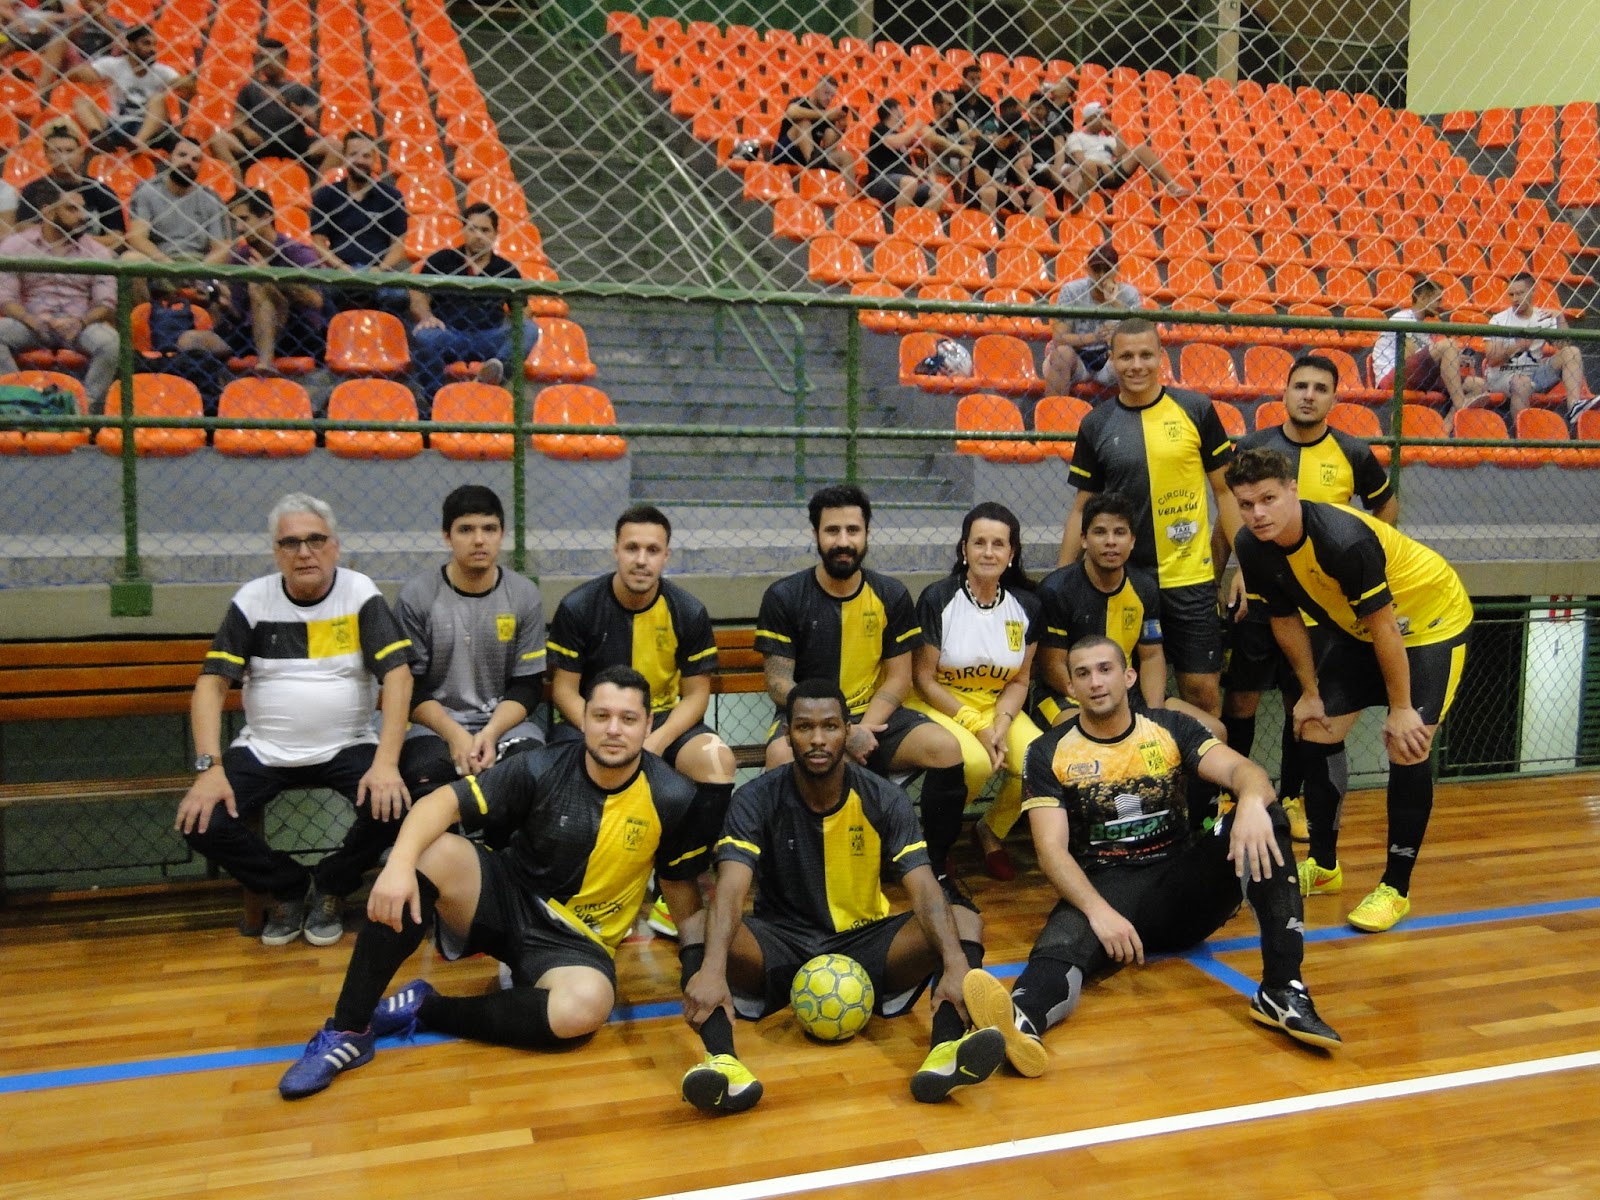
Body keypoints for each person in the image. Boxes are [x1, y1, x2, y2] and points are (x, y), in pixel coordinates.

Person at [277, 666, 711, 1100]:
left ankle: (428, 1007)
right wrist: (398, 865)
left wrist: (700, 973)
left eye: (628, 719)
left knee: (584, 1008)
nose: (613, 729)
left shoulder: (672, 796)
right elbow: (442, 801)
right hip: (507, 900)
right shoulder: (540, 766)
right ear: (583, 719)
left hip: (577, 944)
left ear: (648, 725)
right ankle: (348, 1030)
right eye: (601, 716)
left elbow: (681, 893)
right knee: (428, 854)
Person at [960, 635, 1339, 1080]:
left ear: (1128, 676)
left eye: (1105, 669)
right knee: (1059, 951)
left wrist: (1252, 802)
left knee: (1268, 816)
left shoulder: (1170, 727)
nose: (1095, 682)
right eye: (1083, 674)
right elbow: (1050, 849)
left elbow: (1245, 771)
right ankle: (1019, 1024)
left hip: (1182, 889)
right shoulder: (1048, 751)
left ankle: (1281, 989)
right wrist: (1099, 913)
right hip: (1106, 889)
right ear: (1071, 687)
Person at [677, 679, 1005, 1113]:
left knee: (962, 919)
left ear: (848, 732)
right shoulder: (755, 799)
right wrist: (713, 970)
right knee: (696, 926)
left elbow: (925, 888)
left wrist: (956, 964)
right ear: (787, 734)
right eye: (804, 727)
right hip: (780, 946)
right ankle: (723, 1064)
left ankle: (945, 1052)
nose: (817, 739)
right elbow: (731, 889)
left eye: (830, 726)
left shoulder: (883, 798)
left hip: (866, 943)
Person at [1227, 447, 1473, 933]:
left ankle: (1395, 888)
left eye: (1268, 499)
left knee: (1407, 744)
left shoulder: (1343, 539)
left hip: (1428, 623)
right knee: (1315, 727)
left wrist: (1401, 707)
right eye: (1246, 504)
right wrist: (1310, 691)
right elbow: (1285, 620)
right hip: (1358, 630)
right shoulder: (1252, 545)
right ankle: (1323, 866)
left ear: (1293, 491)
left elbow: (1386, 627)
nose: (1258, 514)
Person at [174, 494, 415, 948]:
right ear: (276, 552)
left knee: (400, 806)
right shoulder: (252, 600)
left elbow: (399, 677)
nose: (304, 552)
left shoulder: (360, 593)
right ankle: (288, 886)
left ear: (335, 547)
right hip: (264, 748)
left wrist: (385, 762)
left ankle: (332, 883)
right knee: (199, 821)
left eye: (316, 540)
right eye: (290, 543)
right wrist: (210, 767)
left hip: (348, 743)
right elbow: (211, 685)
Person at [755, 486, 969, 888]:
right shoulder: (784, 596)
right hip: (809, 720)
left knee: (945, 748)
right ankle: (794, 878)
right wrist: (839, 730)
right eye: (832, 530)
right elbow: (779, 683)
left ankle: (935, 865)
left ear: (867, 534)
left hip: (876, 718)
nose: (843, 541)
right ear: (816, 535)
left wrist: (861, 729)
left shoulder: (890, 594)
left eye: (852, 530)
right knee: (781, 758)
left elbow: (899, 677)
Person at [1225, 354, 1397, 841]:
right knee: (1241, 694)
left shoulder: (1353, 451)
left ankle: (1293, 798)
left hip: (1320, 605)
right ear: (1284, 391)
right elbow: (1234, 513)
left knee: (1302, 699)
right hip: (1264, 588)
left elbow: (1385, 505)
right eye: (1300, 385)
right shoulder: (1253, 447)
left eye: (1320, 388)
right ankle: (1231, 795)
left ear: (1334, 398)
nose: (1308, 395)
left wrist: (1367, 563)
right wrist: (1238, 569)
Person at [547, 505, 736, 934]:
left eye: (652, 550)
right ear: (616, 550)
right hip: (597, 722)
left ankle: (675, 879)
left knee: (717, 761)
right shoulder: (579, 606)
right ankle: (586, 894)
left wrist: (655, 739)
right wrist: (603, 731)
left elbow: (696, 694)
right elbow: (564, 691)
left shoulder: (687, 610)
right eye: (632, 548)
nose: (641, 559)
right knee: (567, 770)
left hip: (661, 723)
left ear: (666, 555)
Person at [1057, 318, 1241, 717]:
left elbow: (1226, 493)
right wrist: (1060, 579)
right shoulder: (1096, 424)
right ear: (1112, 359)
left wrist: (1243, 566)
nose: (1136, 365)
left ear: (1161, 357)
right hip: (1125, 583)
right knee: (1124, 693)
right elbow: (1081, 508)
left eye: (1145, 355)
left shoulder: (1196, 409)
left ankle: (1204, 761)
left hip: (1189, 578)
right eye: (1126, 356)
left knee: (1202, 692)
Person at [906, 502, 1043, 882]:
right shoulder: (938, 598)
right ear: (963, 548)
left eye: (998, 544)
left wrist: (1001, 723)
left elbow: (1019, 681)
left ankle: (990, 830)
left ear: (1011, 553)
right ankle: (936, 842)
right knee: (976, 763)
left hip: (995, 706)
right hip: (939, 703)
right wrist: (973, 723)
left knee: (1038, 760)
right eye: (979, 542)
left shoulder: (1027, 606)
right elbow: (923, 679)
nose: (988, 552)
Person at [395, 485, 546, 799]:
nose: (479, 540)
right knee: (426, 778)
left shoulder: (523, 595)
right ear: (447, 536)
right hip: (436, 727)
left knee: (529, 776)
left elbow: (528, 685)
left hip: (504, 725)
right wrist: (455, 735)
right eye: (466, 530)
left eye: (489, 529)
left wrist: (490, 733)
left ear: (501, 534)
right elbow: (411, 688)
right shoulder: (417, 596)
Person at [1035, 492, 1170, 722]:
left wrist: (1155, 716)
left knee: (1213, 730)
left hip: (1125, 694)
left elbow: (1151, 657)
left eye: (1120, 532)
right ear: (1084, 539)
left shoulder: (1144, 588)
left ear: (1132, 541)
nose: (1111, 541)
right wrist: (1104, 705)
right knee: (1093, 735)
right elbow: (1052, 666)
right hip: (1067, 697)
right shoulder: (1055, 590)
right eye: (1100, 532)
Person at [177, 187, 325, 373]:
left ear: (266, 217)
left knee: (259, 283)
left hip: (295, 331)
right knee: (188, 340)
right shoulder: (241, 257)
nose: (239, 228)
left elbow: (315, 301)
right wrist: (224, 303)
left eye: (244, 219)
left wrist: (271, 276)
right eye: (235, 221)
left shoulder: (299, 253)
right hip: (251, 332)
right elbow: (239, 314)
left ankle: (265, 366)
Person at [0, 179, 119, 408]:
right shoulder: (16, 245)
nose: (82, 216)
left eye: (82, 209)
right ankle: (16, 401)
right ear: (48, 212)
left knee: (111, 342)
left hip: (79, 323)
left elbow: (106, 301)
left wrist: (80, 321)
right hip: (31, 322)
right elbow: (5, 297)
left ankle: (84, 409)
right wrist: (31, 319)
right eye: (71, 209)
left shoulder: (97, 251)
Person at [408, 202, 535, 411]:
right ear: (463, 230)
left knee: (530, 330)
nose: (478, 236)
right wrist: (426, 316)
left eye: (485, 230)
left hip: (489, 338)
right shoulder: (442, 259)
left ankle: (490, 380)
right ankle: (436, 402)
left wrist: (517, 321)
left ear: (495, 234)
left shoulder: (506, 270)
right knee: (424, 335)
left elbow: (523, 310)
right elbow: (417, 294)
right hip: (449, 334)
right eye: (473, 229)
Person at [210, 37, 341, 183]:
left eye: (271, 58)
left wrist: (284, 102)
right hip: (258, 142)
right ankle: (238, 187)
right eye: (263, 58)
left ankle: (319, 190)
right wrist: (247, 132)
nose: (266, 62)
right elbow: (237, 121)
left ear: (284, 61)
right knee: (218, 139)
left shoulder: (300, 89)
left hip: (294, 143)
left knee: (336, 146)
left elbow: (311, 119)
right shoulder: (250, 89)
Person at [309, 132, 408, 310]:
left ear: (374, 159)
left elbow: (398, 245)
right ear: (344, 157)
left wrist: (380, 269)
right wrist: (340, 267)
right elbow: (318, 242)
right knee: (320, 293)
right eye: (353, 154)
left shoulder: (391, 196)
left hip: (378, 272)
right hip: (339, 271)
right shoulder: (326, 195)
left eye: (366, 156)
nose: (360, 161)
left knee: (400, 296)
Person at [65, 23, 193, 154]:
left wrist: (181, 83)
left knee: (158, 98)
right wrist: (87, 74)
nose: (152, 49)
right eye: (146, 43)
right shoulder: (113, 64)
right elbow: (78, 74)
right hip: (117, 124)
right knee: (80, 102)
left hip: (146, 128)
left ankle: (137, 142)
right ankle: (97, 135)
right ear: (131, 45)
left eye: (154, 45)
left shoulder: (162, 71)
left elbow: (187, 86)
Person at [1371, 277, 1487, 416]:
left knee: (1479, 385)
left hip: (1420, 377)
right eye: (1438, 300)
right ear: (1423, 297)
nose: (1440, 305)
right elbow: (1407, 358)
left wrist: (1455, 360)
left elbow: (1426, 361)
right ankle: (1460, 404)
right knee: (1449, 344)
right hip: (1393, 376)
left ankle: (1447, 426)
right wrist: (1443, 356)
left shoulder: (1425, 329)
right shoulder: (1403, 318)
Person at [1042, 241, 1143, 398]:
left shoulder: (1129, 294)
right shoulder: (1072, 291)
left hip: (1111, 358)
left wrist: (1114, 303)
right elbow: (1059, 338)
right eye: (1096, 269)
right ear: (1087, 270)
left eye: (1107, 269)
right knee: (1061, 354)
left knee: (1135, 356)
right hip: (1078, 356)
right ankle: (1054, 410)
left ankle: (1135, 411)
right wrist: (1095, 337)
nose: (1102, 276)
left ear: (1116, 269)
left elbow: (1140, 335)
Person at [1484, 272, 1589, 421]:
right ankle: (1521, 432)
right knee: (1522, 382)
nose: (1515, 299)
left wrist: (1560, 318)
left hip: (1534, 373)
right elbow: (1492, 360)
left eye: (1520, 293)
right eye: (1511, 295)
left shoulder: (1542, 317)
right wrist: (1518, 346)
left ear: (1532, 291)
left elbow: (1563, 345)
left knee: (1572, 352)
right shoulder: (1499, 320)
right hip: (1503, 374)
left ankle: (1574, 407)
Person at [124, 136, 232, 266]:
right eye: (182, 155)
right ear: (169, 158)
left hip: (198, 263)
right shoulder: (147, 190)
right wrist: (169, 265)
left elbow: (221, 248)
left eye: (195, 160)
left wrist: (199, 271)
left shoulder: (211, 198)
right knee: (130, 258)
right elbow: (137, 238)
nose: (188, 162)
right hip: (158, 262)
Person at [17, 122, 126, 250]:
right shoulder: (33, 190)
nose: (63, 157)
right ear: (46, 155)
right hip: (45, 253)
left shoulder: (100, 191)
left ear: (81, 155)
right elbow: (24, 230)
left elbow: (116, 239)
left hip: (92, 255)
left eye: (70, 151)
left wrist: (73, 240)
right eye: (56, 151)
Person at [1062, 101, 1189, 205]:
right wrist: (1102, 166)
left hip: (1111, 171)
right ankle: (1085, 197)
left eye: (1103, 116)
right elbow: (1080, 160)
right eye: (1099, 117)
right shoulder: (1076, 137)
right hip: (1092, 172)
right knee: (1088, 165)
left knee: (1141, 150)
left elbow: (1122, 155)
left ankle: (1172, 186)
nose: (1103, 120)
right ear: (1090, 119)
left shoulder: (1107, 139)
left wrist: (1116, 131)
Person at [861, 99, 944, 211]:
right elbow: (895, 142)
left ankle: (918, 218)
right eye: (902, 109)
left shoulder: (901, 137)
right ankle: (900, 220)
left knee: (939, 189)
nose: (905, 113)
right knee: (910, 183)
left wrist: (927, 175)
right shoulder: (879, 129)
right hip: (880, 181)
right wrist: (916, 127)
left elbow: (910, 167)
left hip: (905, 183)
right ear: (893, 110)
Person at [967, 102, 1048, 218]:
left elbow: (1020, 170)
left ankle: (1035, 229)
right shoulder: (984, 145)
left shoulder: (1010, 147)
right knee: (990, 192)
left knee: (1037, 196)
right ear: (1014, 134)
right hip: (979, 192)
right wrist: (1009, 191)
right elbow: (982, 181)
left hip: (1004, 191)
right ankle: (989, 229)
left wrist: (1028, 182)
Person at [770, 75, 853, 177]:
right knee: (804, 123)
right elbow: (791, 112)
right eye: (826, 93)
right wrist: (825, 115)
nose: (829, 98)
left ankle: (849, 190)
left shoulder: (828, 115)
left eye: (832, 96)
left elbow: (828, 145)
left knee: (847, 157)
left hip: (810, 157)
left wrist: (839, 131)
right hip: (786, 150)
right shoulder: (800, 102)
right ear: (817, 88)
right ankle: (812, 161)